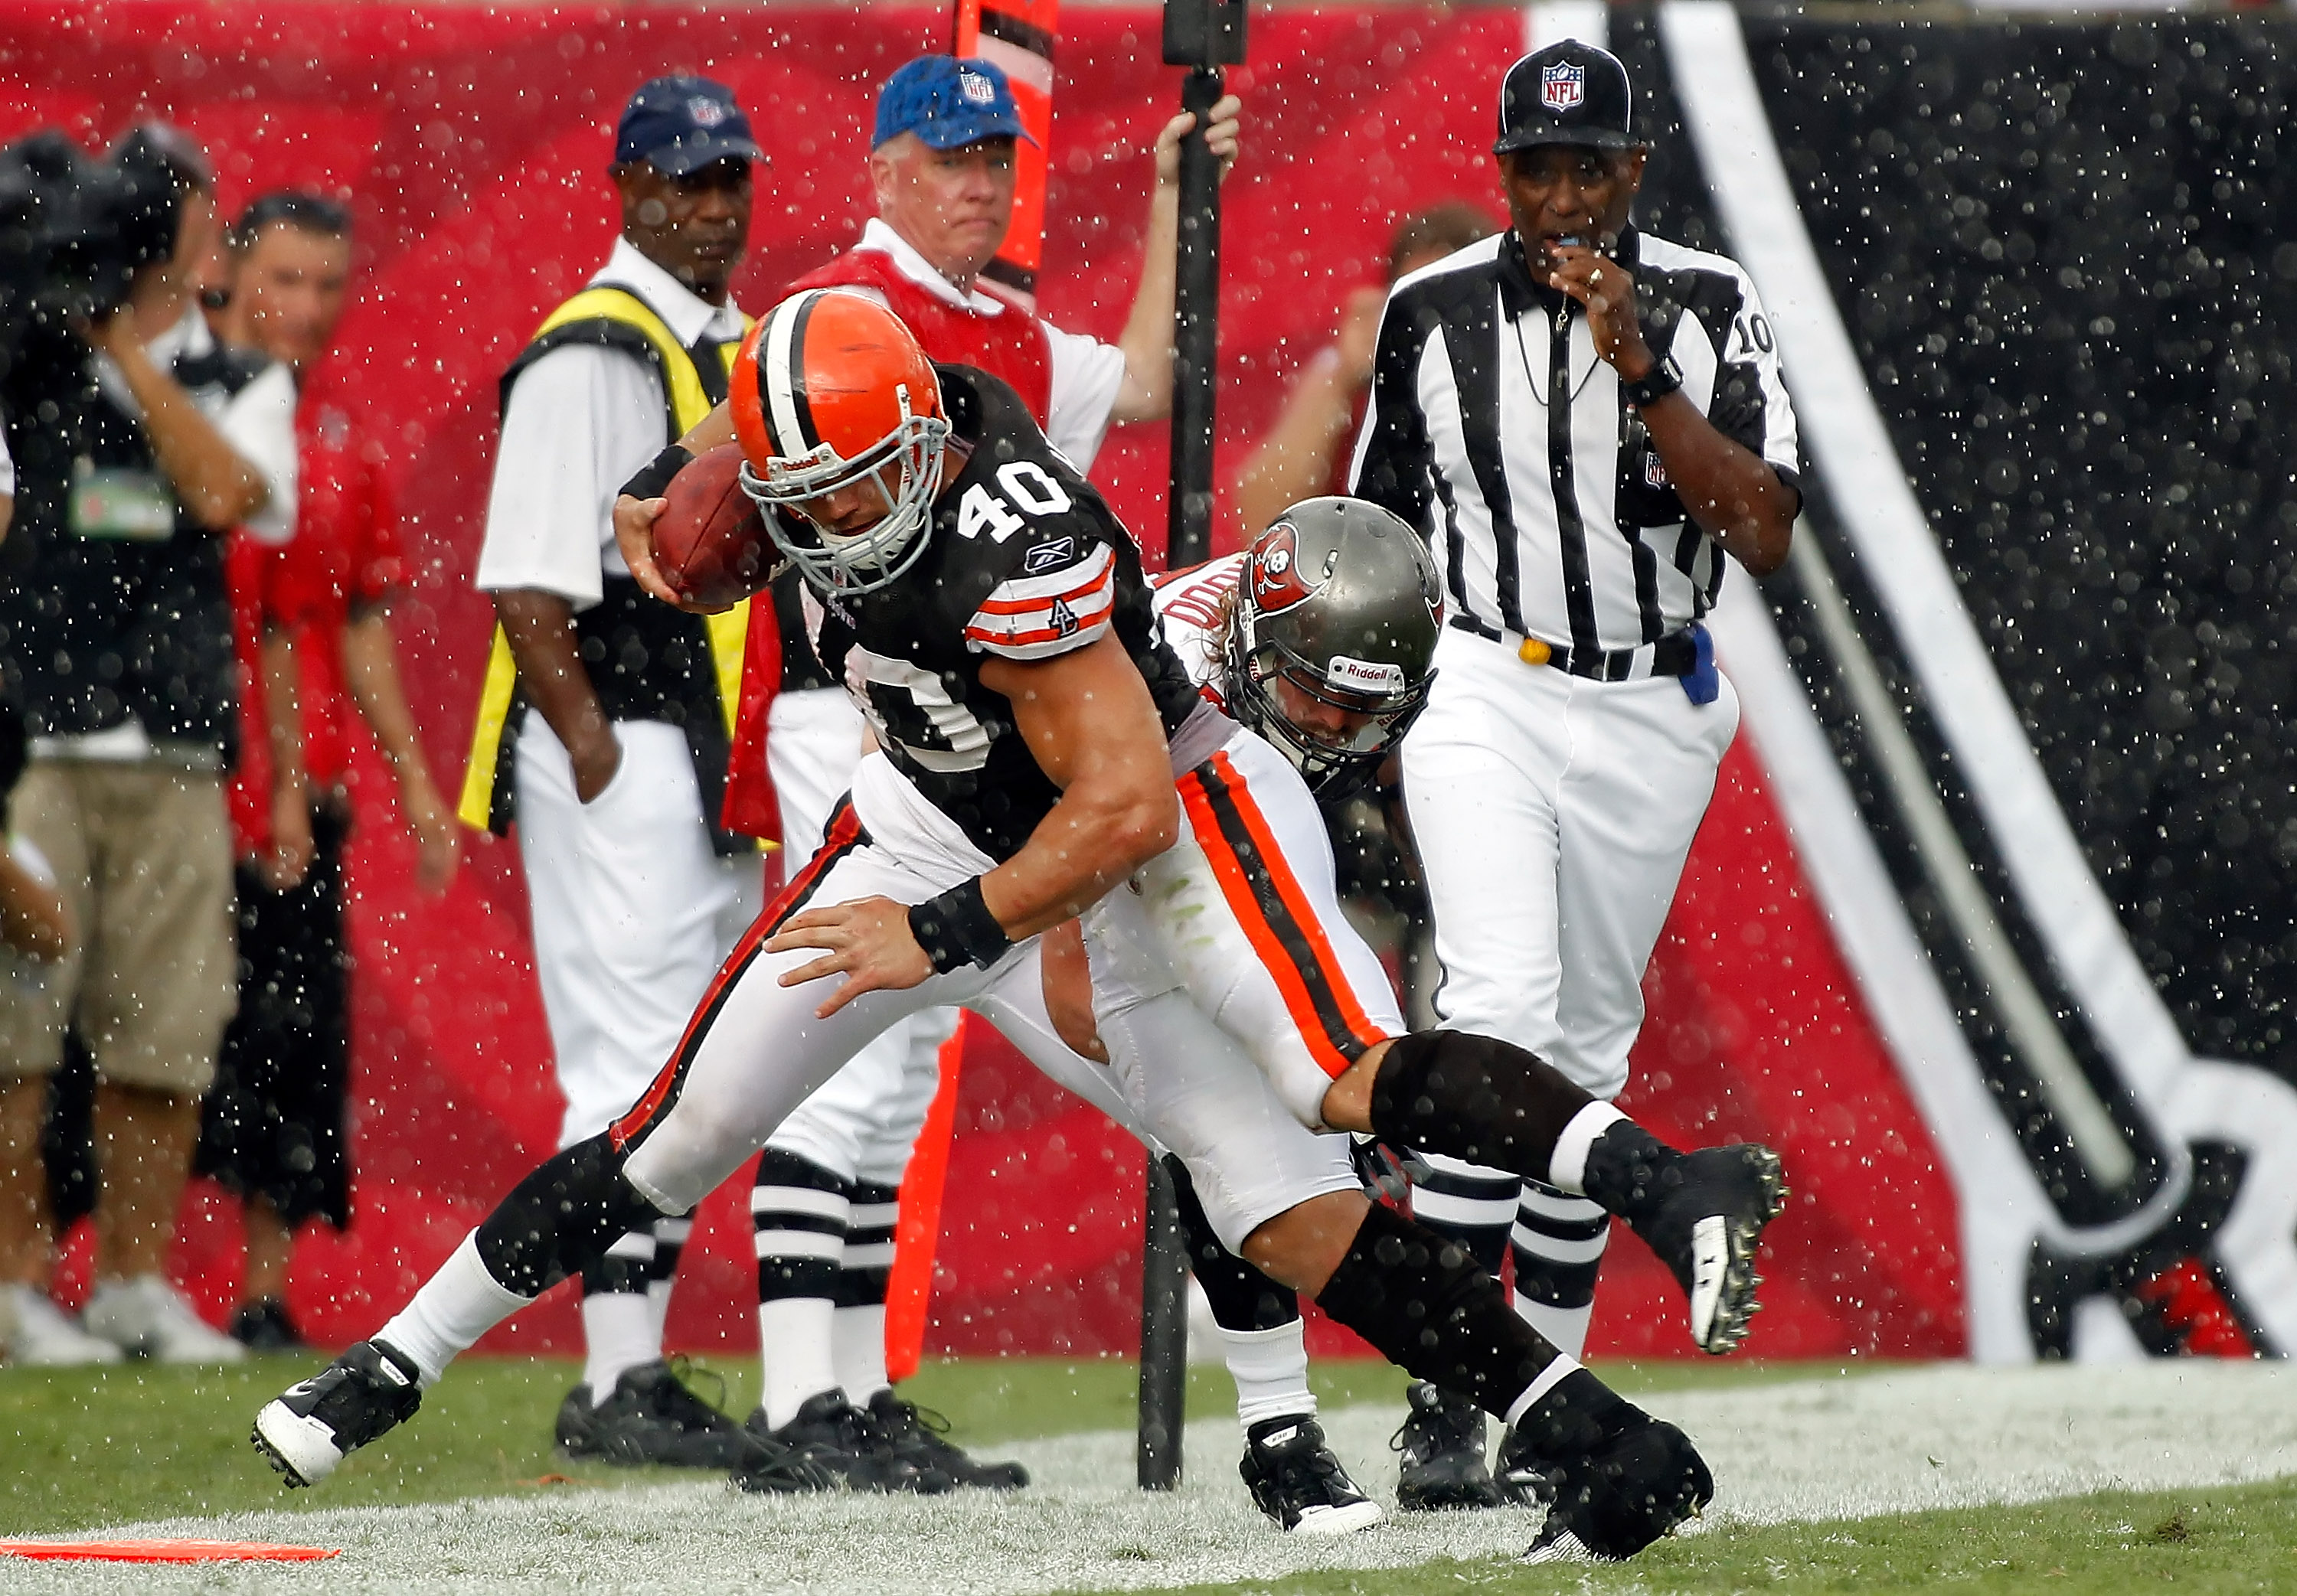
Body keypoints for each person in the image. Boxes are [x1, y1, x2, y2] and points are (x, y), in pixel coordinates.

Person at [254, 293, 1785, 1564]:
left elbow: (1115, 807)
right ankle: (397, 1358)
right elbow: (759, 411)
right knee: (680, 1127)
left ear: (922, 450)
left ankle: (1589, 1360)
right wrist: (677, 478)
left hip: (1129, 830)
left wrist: (934, 936)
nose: (837, 522)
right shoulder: (830, 441)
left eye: (859, 490)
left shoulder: (1012, 551)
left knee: (1297, 1165)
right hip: (924, 816)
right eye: (808, 499)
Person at [737, 53, 1268, 1497]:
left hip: (960, 744)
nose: (981, 184)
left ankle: (850, 1391)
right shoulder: (833, 313)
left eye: (997, 161)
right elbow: (731, 495)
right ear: (885, 171)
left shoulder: (1007, 332)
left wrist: (1170, 193)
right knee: (846, 1038)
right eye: (952, 158)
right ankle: (799, 1407)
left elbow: (1152, 380)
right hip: (849, 715)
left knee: (905, 1063)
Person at [1349, 41, 1804, 1510]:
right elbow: (1379, 529)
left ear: (1633, 169)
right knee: (1491, 1012)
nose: (1560, 195)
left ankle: (1539, 1418)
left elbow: (1764, 528)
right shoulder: (1432, 312)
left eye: (1586, 167)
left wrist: (1648, 371)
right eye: (1533, 167)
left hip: (1652, 706)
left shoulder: (1716, 303)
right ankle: (1449, 1399)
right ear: (1502, 173)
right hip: (1484, 677)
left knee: (1582, 1066)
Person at [453, 75, 769, 1468]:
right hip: (626, 738)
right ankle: (617, 1372)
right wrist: (589, 752)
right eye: (684, 183)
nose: (710, 208)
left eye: (727, 182)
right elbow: (527, 581)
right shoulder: (593, 345)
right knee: (630, 1067)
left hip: (698, 751)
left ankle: (633, 1365)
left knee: (687, 1068)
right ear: (628, 189)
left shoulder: (730, 338)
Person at [0, 123, 298, 1363]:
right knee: (15, 1033)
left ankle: (132, 1282)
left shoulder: (242, 378)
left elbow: (233, 497)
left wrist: (128, 345)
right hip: (40, 750)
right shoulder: (26, 366)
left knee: (161, 1033)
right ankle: (15, 1289)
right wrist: (72, 336)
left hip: (173, 744)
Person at [194, 190, 463, 1351]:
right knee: (126, 1036)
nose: (307, 309)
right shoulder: (181, 416)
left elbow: (350, 621)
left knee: (291, 1040)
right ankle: (84, 1282)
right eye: (286, 280)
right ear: (231, 274)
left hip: (307, 790)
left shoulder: (341, 447)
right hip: (183, 773)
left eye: (327, 286)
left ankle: (261, 1298)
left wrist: (411, 777)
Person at [1229, 202, 1496, 541]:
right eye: (1423, 304)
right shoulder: (1348, 379)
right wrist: (1342, 380)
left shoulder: (1523, 374)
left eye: (1453, 306)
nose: (1436, 327)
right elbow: (1259, 525)